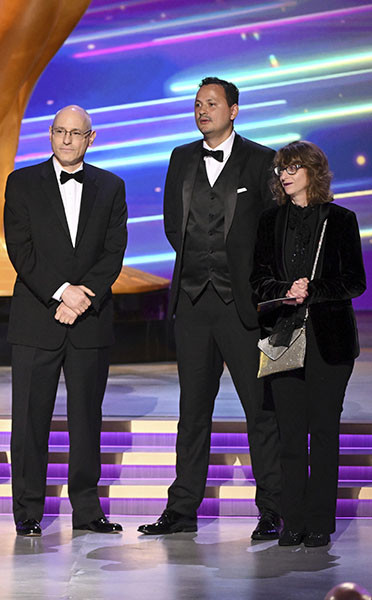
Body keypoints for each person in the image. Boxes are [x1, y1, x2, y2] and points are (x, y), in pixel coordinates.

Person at [139, 77, 283, 538]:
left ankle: (273, 508)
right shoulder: (181, 157)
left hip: (243, 306)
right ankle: (182, 509)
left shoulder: (261, 159)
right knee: (193, 410)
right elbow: (172, 223)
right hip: (193, 302)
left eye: (212, 104)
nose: (203, 110)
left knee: (260, 409)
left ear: (233, 110)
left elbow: (272, 230)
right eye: (198, 104)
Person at [3, 105, 127, 537]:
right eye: (60, 131)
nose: (67, 139)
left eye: (76, 133)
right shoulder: (21, 182)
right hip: (36, 318)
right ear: (50, 135)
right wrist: (61, 292)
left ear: (91, 138)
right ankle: (28, 511)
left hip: (90, 319)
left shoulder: (111, 186)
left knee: (86, 419)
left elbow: (113, 252)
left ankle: (88, 510)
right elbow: (20, 250)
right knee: (29, 420)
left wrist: (80, 297)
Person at [251, 141, 365, 547]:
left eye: (292, 167)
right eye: (281, 168)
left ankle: (319, 523)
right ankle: (293, 521)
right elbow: (257, 280)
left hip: (329, 341)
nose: (284, 175)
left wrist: (312, 290)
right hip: (283, 338)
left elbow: (354, 281)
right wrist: (285, 290)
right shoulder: (270, 221)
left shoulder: (341, 220)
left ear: (313, 171)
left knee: (324, 432)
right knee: (290, 435)